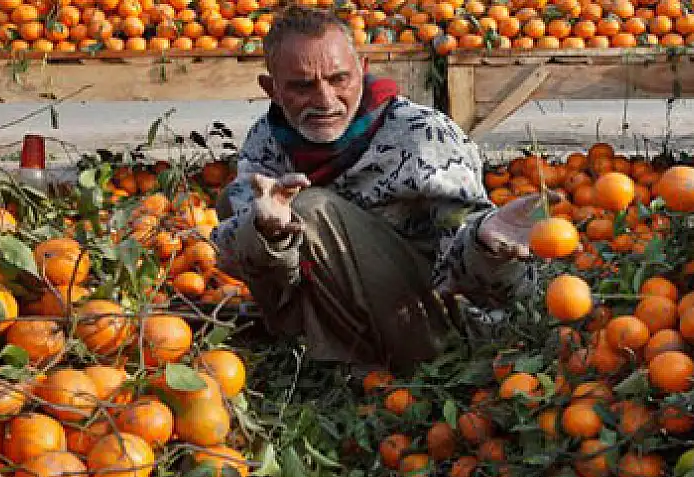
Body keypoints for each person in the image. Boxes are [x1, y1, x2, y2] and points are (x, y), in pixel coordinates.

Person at [212, 6, 551, 372]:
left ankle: (363, 366)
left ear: (362, 72)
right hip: (350, 309)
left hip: (428, 326)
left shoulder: (422, 137)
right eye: (302, 86)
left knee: (310, 210)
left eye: (339, 79)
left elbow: (484, 283)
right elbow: (229, 252)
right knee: (243, 208)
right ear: (272, 89)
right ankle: (309, 349)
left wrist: (486, 247)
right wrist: (270, 233)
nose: (326, 101)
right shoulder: (268, 141)